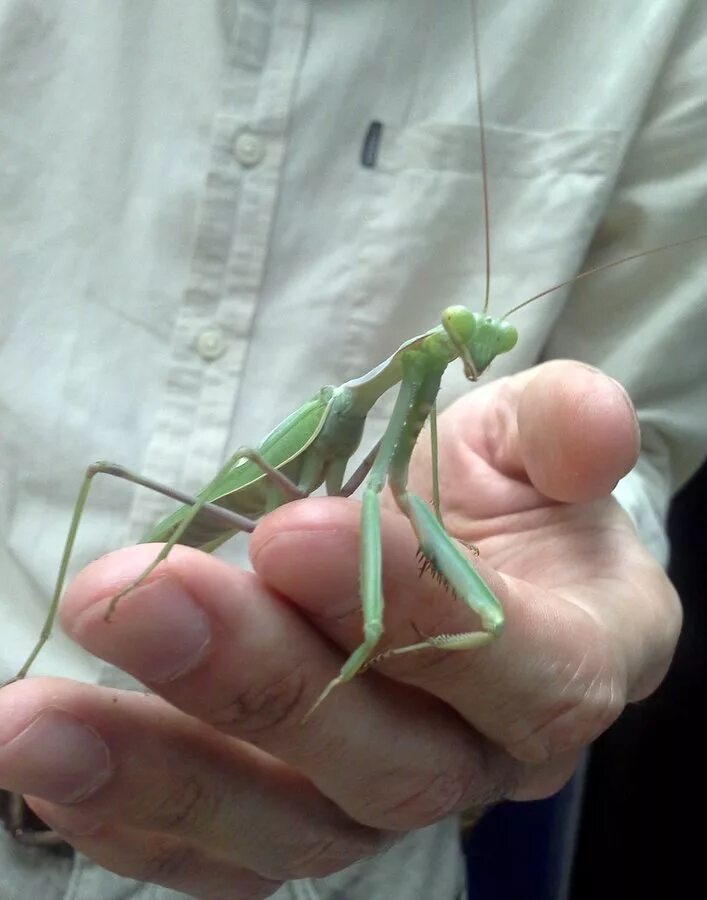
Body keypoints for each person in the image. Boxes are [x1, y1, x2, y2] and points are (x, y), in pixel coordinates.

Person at [0, 2, 705, 899]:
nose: (477, 350)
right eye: (465, 337)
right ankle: (32, 664)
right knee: (340, 580)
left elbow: (637, 454)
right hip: (114, 642)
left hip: (353, 863)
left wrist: (567, 609)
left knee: (366, 574)